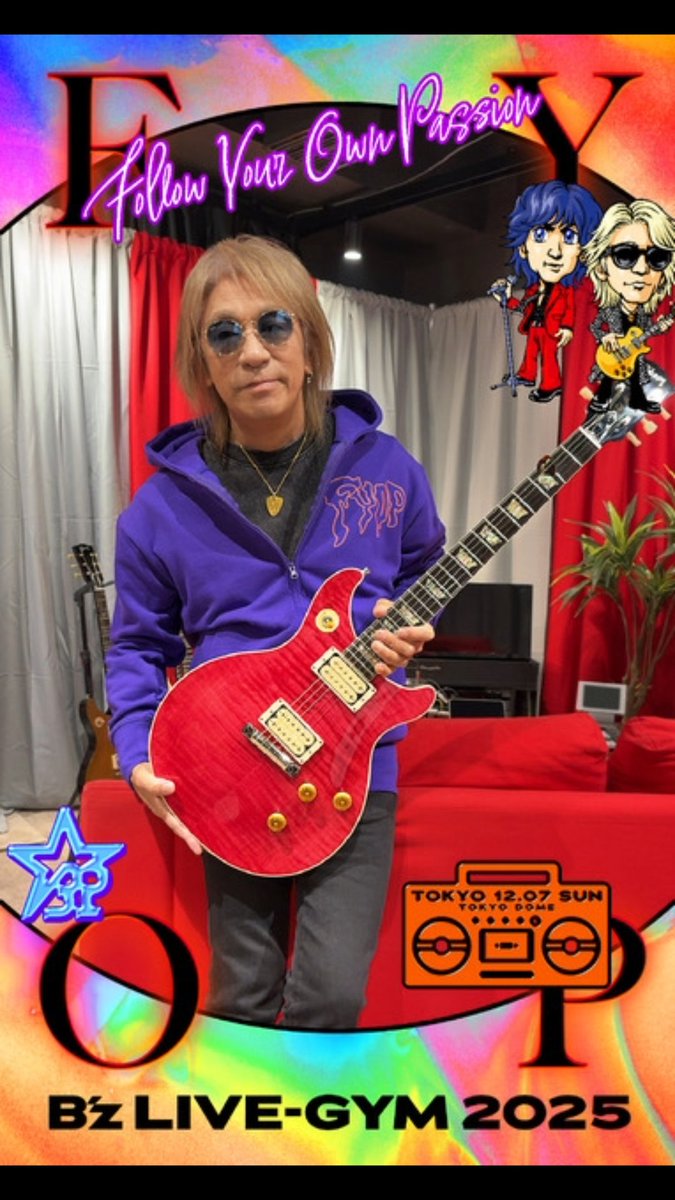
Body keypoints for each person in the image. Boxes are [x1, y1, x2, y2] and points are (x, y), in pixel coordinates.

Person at [106, 235, 445, 1029]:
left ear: (309, 339)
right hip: (226, 766)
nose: (252, 351)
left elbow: (427, 568)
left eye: (273, 324)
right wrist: (137, 748)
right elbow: (138, 646)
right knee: (241, 997)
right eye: (224, 334)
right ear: (202, 360)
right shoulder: (157, 510)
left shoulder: (388, 468)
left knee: (331, 995)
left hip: (355, 761)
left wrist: (408, 626)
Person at [490, 180, 602, 402]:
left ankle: (551, 385)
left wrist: (567, 327)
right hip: (536, 326)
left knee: (549, 358)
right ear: (523, 247)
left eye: (569, 237)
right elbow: (524, 307)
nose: (555, 252)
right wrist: (506, 299)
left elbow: (570, 309)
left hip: (552, 330)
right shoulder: (534, 288)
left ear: (583, 252)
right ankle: (527, 375)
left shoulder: (568, 290)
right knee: (531, 353)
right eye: (541, 235)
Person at [582, 198, 675, 415]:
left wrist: (662, 326)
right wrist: (605, 336)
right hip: (612, 355)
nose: (642, 269)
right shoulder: (609, 310)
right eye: (625, 255)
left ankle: (638, 401)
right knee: (607, 379)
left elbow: (649, 332)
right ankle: (601, 398)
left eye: (657, 258)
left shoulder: (643, 314)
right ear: (602, 269)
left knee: (636, 378)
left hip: (632, 358)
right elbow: (595, 326)